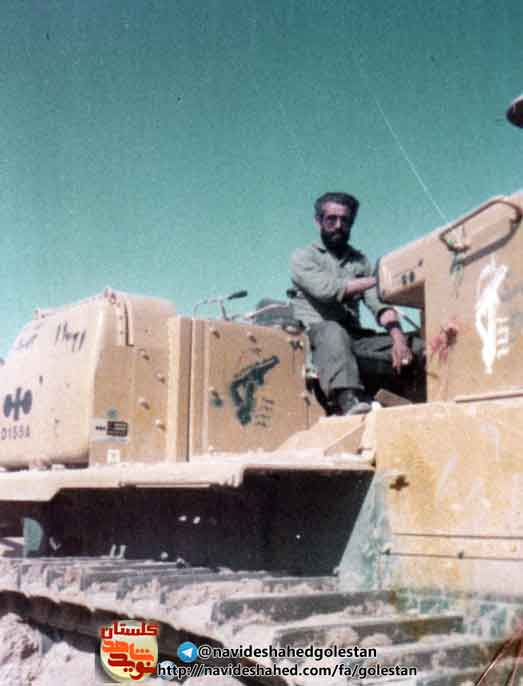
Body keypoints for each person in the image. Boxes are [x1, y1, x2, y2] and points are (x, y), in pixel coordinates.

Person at [290, 192, 420, 415]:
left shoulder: (360, 262)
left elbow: (378, 304)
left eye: (345, 220)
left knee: (417, 344)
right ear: (318, 221)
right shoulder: (303, 257)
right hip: (316, 336)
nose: (338, 225)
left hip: (354, 337)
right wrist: (378, 279)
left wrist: (399, 338)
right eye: (331, 219)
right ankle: (348, 400)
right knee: (333, 332)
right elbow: (328, 291)